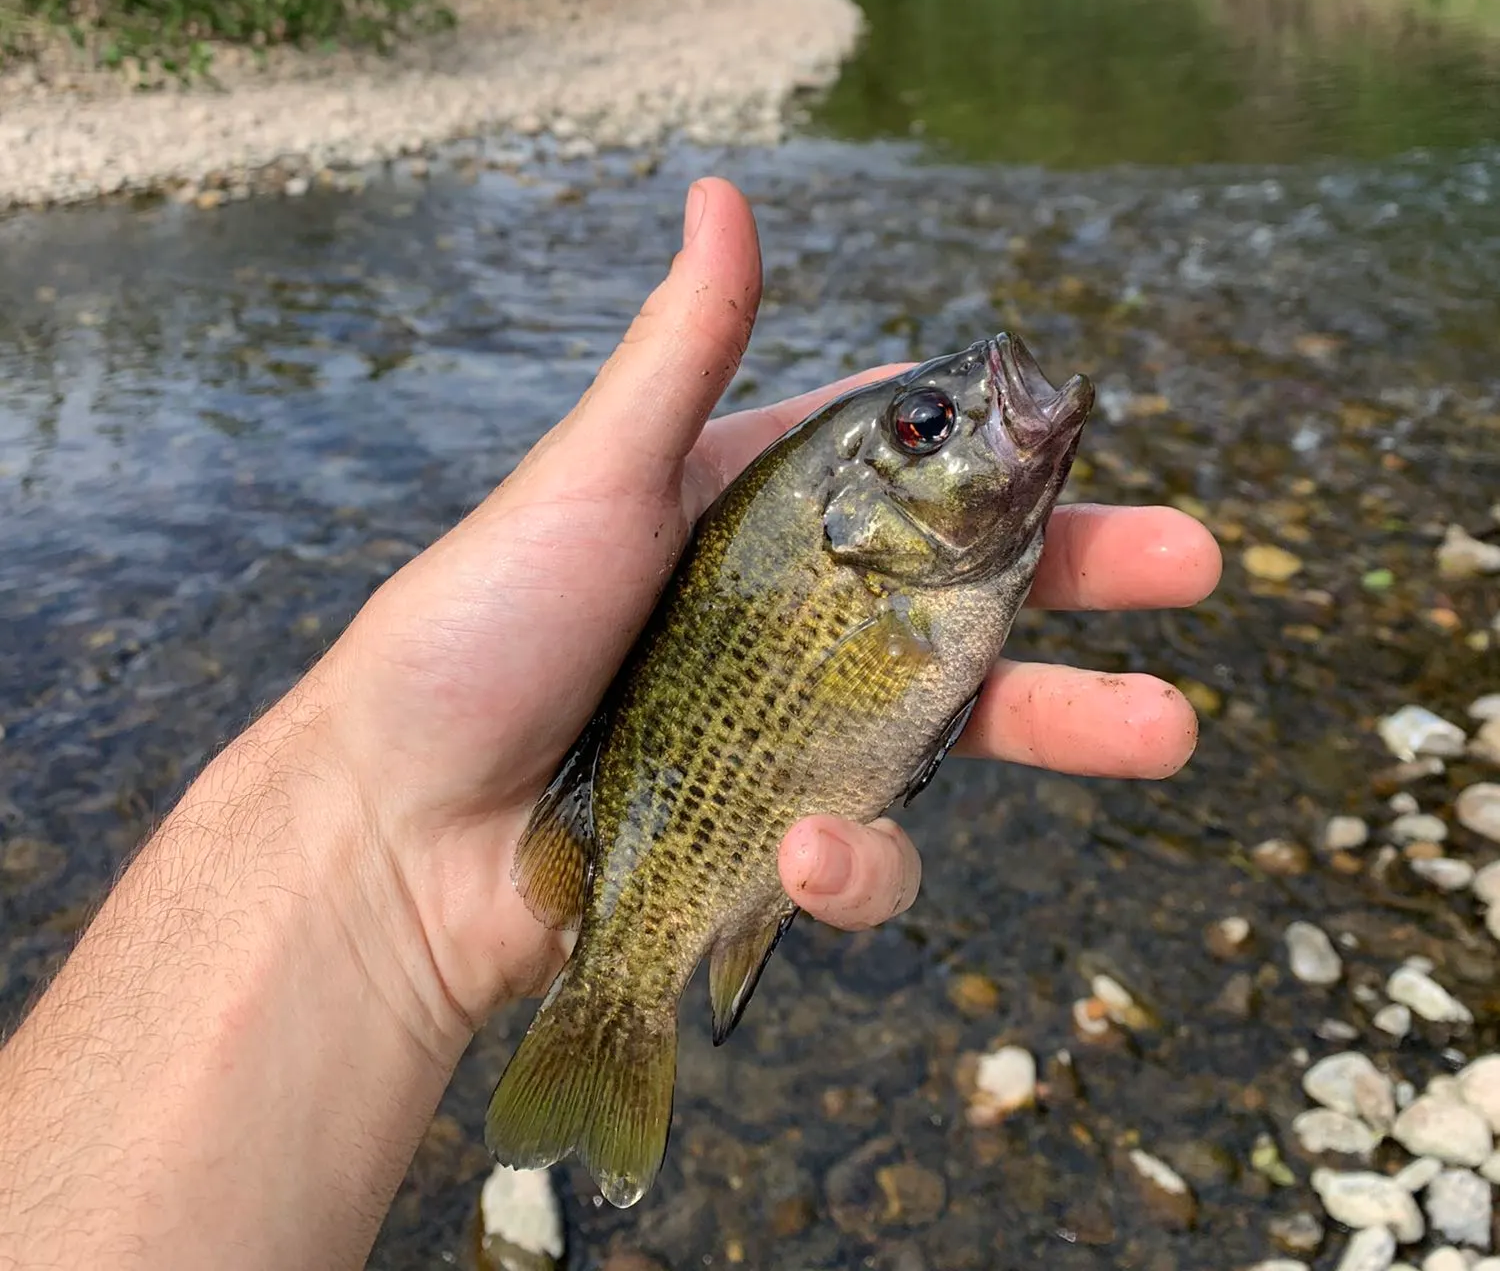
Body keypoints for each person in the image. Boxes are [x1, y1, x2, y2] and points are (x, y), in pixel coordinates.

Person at [0, 179, 1219, 1270]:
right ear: (861, 514)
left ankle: (626, 1000)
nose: (967, 403)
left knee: (825, 858)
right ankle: (617, 1006)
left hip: (694, 803)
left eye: (924, 426)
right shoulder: (871, 557)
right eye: (925, 431)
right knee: (774, 882)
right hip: (661, 820)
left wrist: (366, 837)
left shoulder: (918, 563)